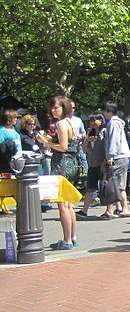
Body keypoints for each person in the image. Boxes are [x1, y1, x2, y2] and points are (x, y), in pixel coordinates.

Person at [35, 96, 80, 250]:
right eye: (52, 108)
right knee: (69, 204)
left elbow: (62, 146)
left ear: (64, 108)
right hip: (72, 163)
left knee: (63, 205)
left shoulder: (61, 124)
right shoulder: (70, 123)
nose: (53, 110)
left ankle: (67, 240)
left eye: (56, 107)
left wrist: (46, 143)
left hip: (62, 164)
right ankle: (72, 237)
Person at [100, 102, 130, 219]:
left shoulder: (113, 123)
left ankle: (110, 210)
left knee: (111, 182)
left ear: (108, 111)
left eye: (104, 111)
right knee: (120, 184)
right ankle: (125, 208)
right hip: (123, 155)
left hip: (117, 156)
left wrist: (110, 156)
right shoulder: (119, 123)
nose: (103, 114)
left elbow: (113, 140)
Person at [77, 112, 105, 217]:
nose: (93, 122)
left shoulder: (104, 131)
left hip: (102, 163)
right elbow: (84, 150)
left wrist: (104, 162)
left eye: (95, 119)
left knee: (105, 187)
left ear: (101, 121)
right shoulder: (90, 132)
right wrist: (88, 140)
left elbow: (107, 148)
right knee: (89, 188)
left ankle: (112, 209)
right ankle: (84, 211)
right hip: (92, 164)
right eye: (91, 120)